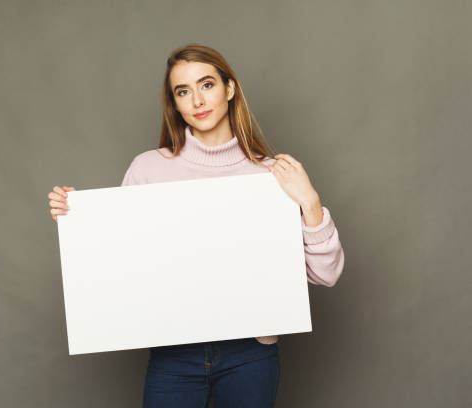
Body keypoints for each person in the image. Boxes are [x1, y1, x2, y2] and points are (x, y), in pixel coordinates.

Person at [48, 43, 344, 408]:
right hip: (173, 354)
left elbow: (325, 274)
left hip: (250, 355)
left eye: (207, 85)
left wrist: (310, 202)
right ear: (175, 104)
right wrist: (81, 218)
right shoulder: (147, 168)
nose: (198, 101)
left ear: (229, 89)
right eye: (183, 92)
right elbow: (122, 266)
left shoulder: (272, 174)